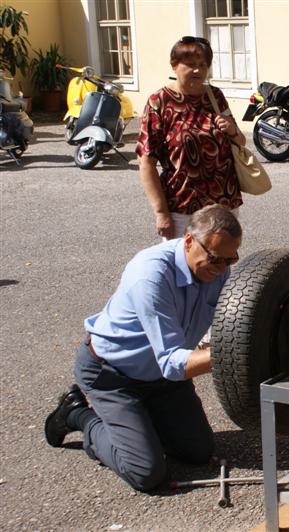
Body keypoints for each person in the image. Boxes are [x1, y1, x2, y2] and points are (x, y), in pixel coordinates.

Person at [44, 205, 242, 492]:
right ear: (188, 241)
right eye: (215, 259)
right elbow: (173, 363)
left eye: (230, 259)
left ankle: (139, 423)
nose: (223, 269)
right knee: (146, 472)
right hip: (113, 376)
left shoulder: (218, 270)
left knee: (198, 453)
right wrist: (230, 352)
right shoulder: (151, 274)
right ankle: (78, 415)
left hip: (161, 380)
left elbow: (235, 322)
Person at [137, 36, 245, 240]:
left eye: (203, 65)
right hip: (182, 207)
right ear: (174, 66)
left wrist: (231, 130)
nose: (198, 70)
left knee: (220, 264)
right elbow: (146, 162)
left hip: (223, 203)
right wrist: (161, 213)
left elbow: (240, 142)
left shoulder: (214, 96)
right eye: (191, 65)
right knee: (182, 266)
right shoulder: (159, 102)